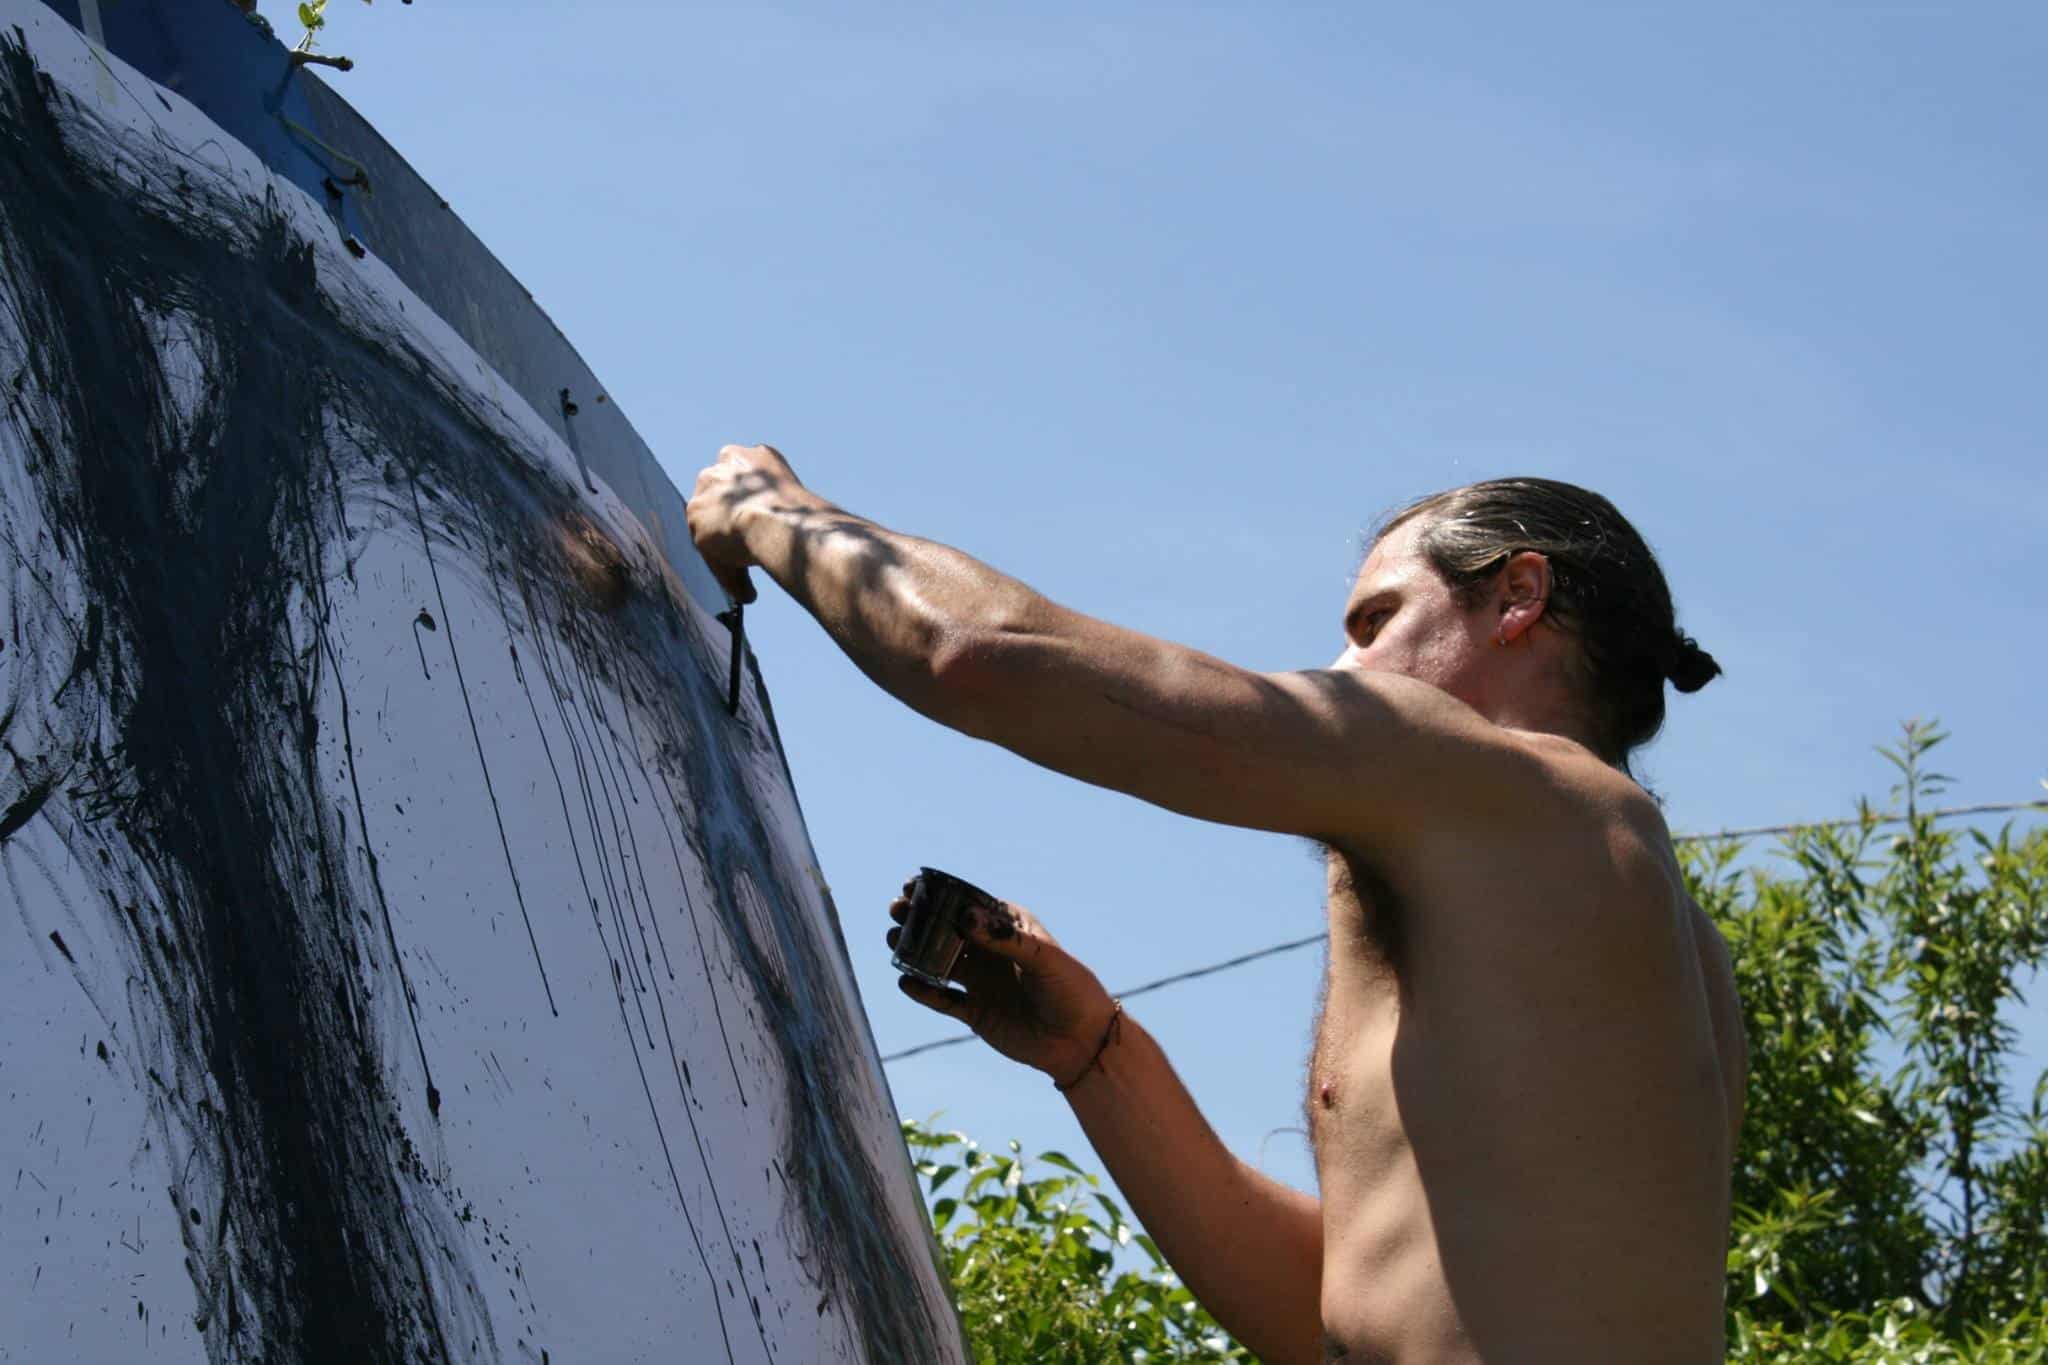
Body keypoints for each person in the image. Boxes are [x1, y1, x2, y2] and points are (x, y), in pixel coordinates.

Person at [688, 445, 1745, 1364]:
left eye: (1375, 621)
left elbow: (981, 658)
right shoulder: (1664, 957)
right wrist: (1097, 1058)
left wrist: (768, 508)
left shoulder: (1506, 784)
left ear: (1517, 596)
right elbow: (1345, 1325)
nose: (1343, 668)